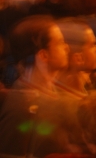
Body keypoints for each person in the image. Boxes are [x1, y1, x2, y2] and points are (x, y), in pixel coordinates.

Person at [0, 16, 70, 157]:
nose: (67, 47)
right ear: (43, 55)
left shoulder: (54, 89)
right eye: (60, 42)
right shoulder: (22, 107)